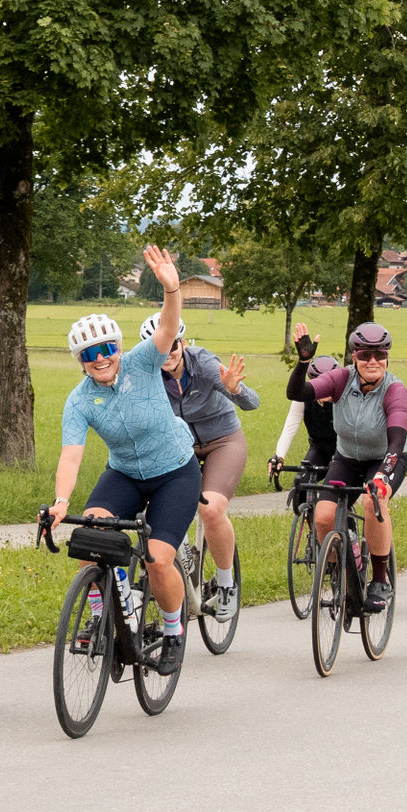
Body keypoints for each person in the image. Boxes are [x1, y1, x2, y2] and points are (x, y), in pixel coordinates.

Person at [46, 245, 199, 676]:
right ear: (81, 362)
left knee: (157, 559)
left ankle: (173, 630)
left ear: (118, 345)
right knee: (88, 535)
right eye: (89, 354)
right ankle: (104, 613)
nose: (101, 358)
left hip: (175, 473)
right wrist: (61, 501)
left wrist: (172, 289)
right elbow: (71, 455)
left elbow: (167, 327)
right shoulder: (79, 401)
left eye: (106, 348)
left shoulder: (143, 363)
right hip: (126, 474)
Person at [286, 320, 407, 613]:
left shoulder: (394, 389)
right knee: (323, 517)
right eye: (365, 355)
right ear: (354, 356)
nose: (373, 361)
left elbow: (396, 441)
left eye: (380, 354)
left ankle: (379, 580)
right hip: (347, 458)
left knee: (372, 500)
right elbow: (297, 393)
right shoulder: (341, 379)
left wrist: (382, 476)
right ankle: (341, 571)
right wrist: (303, 363)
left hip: (385, 457)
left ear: (387, 357)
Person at [144, 314, 260, 622]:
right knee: (150, 505)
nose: (167, 353)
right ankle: (176, 563)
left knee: (211, 509)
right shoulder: (148, 373)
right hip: (180, 447)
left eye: (172, 345)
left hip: (223, 442)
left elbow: (253, 403)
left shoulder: (204, 364)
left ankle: (226, 584)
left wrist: (234, 389)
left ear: (182, 343)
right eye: (159, 347)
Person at [271, 351, 343, 505]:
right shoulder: (303, 398)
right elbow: (289, 429)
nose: (324, 389)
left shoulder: (346, 398)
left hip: (345, 451)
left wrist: (339, 460)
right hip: (319, 449)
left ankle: (345, 520)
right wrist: (279, 456)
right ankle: (310, 519)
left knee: (333, 494)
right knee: (300, 486)